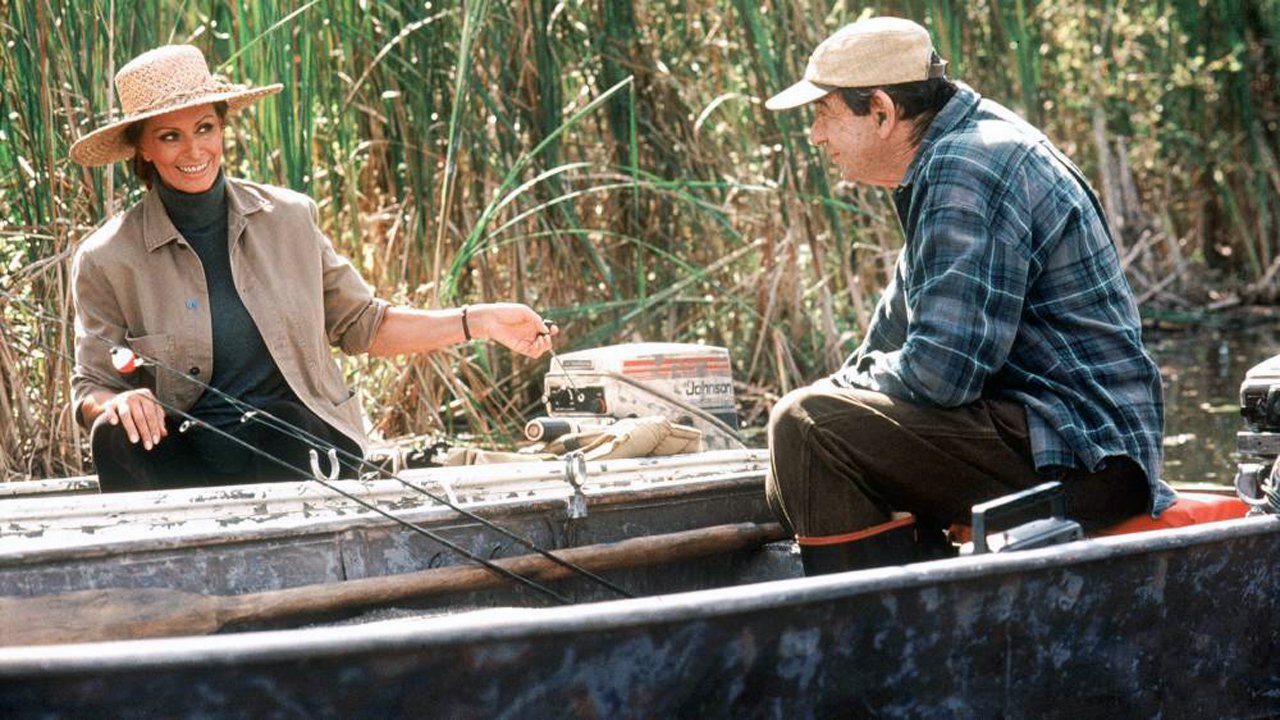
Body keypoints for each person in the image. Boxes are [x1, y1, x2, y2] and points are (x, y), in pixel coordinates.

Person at [762, 17, 1173, 575]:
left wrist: (826, 404)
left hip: (1083, 454)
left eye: (824, 114)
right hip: (1043, 435)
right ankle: (913, 603)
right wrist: (841, 394)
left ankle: (870, 646)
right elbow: (887, 340)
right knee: (795, 451)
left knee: (806, 425)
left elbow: (940, 374)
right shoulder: (950, 156)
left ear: (881, 111)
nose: (815, 135)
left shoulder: (968, 165)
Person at [68, 45, 556, 492]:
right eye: (170, 136)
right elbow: (92, 385)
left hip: (299, 444)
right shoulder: (106, 258)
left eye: (205, 129)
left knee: (275, 422)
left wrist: (480, 321)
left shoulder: (290, 219)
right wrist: (115, 403)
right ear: (142, 149)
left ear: (222, 128)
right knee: (114, 434)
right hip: (189, 461)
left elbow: (366, 326)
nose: (194, 151)